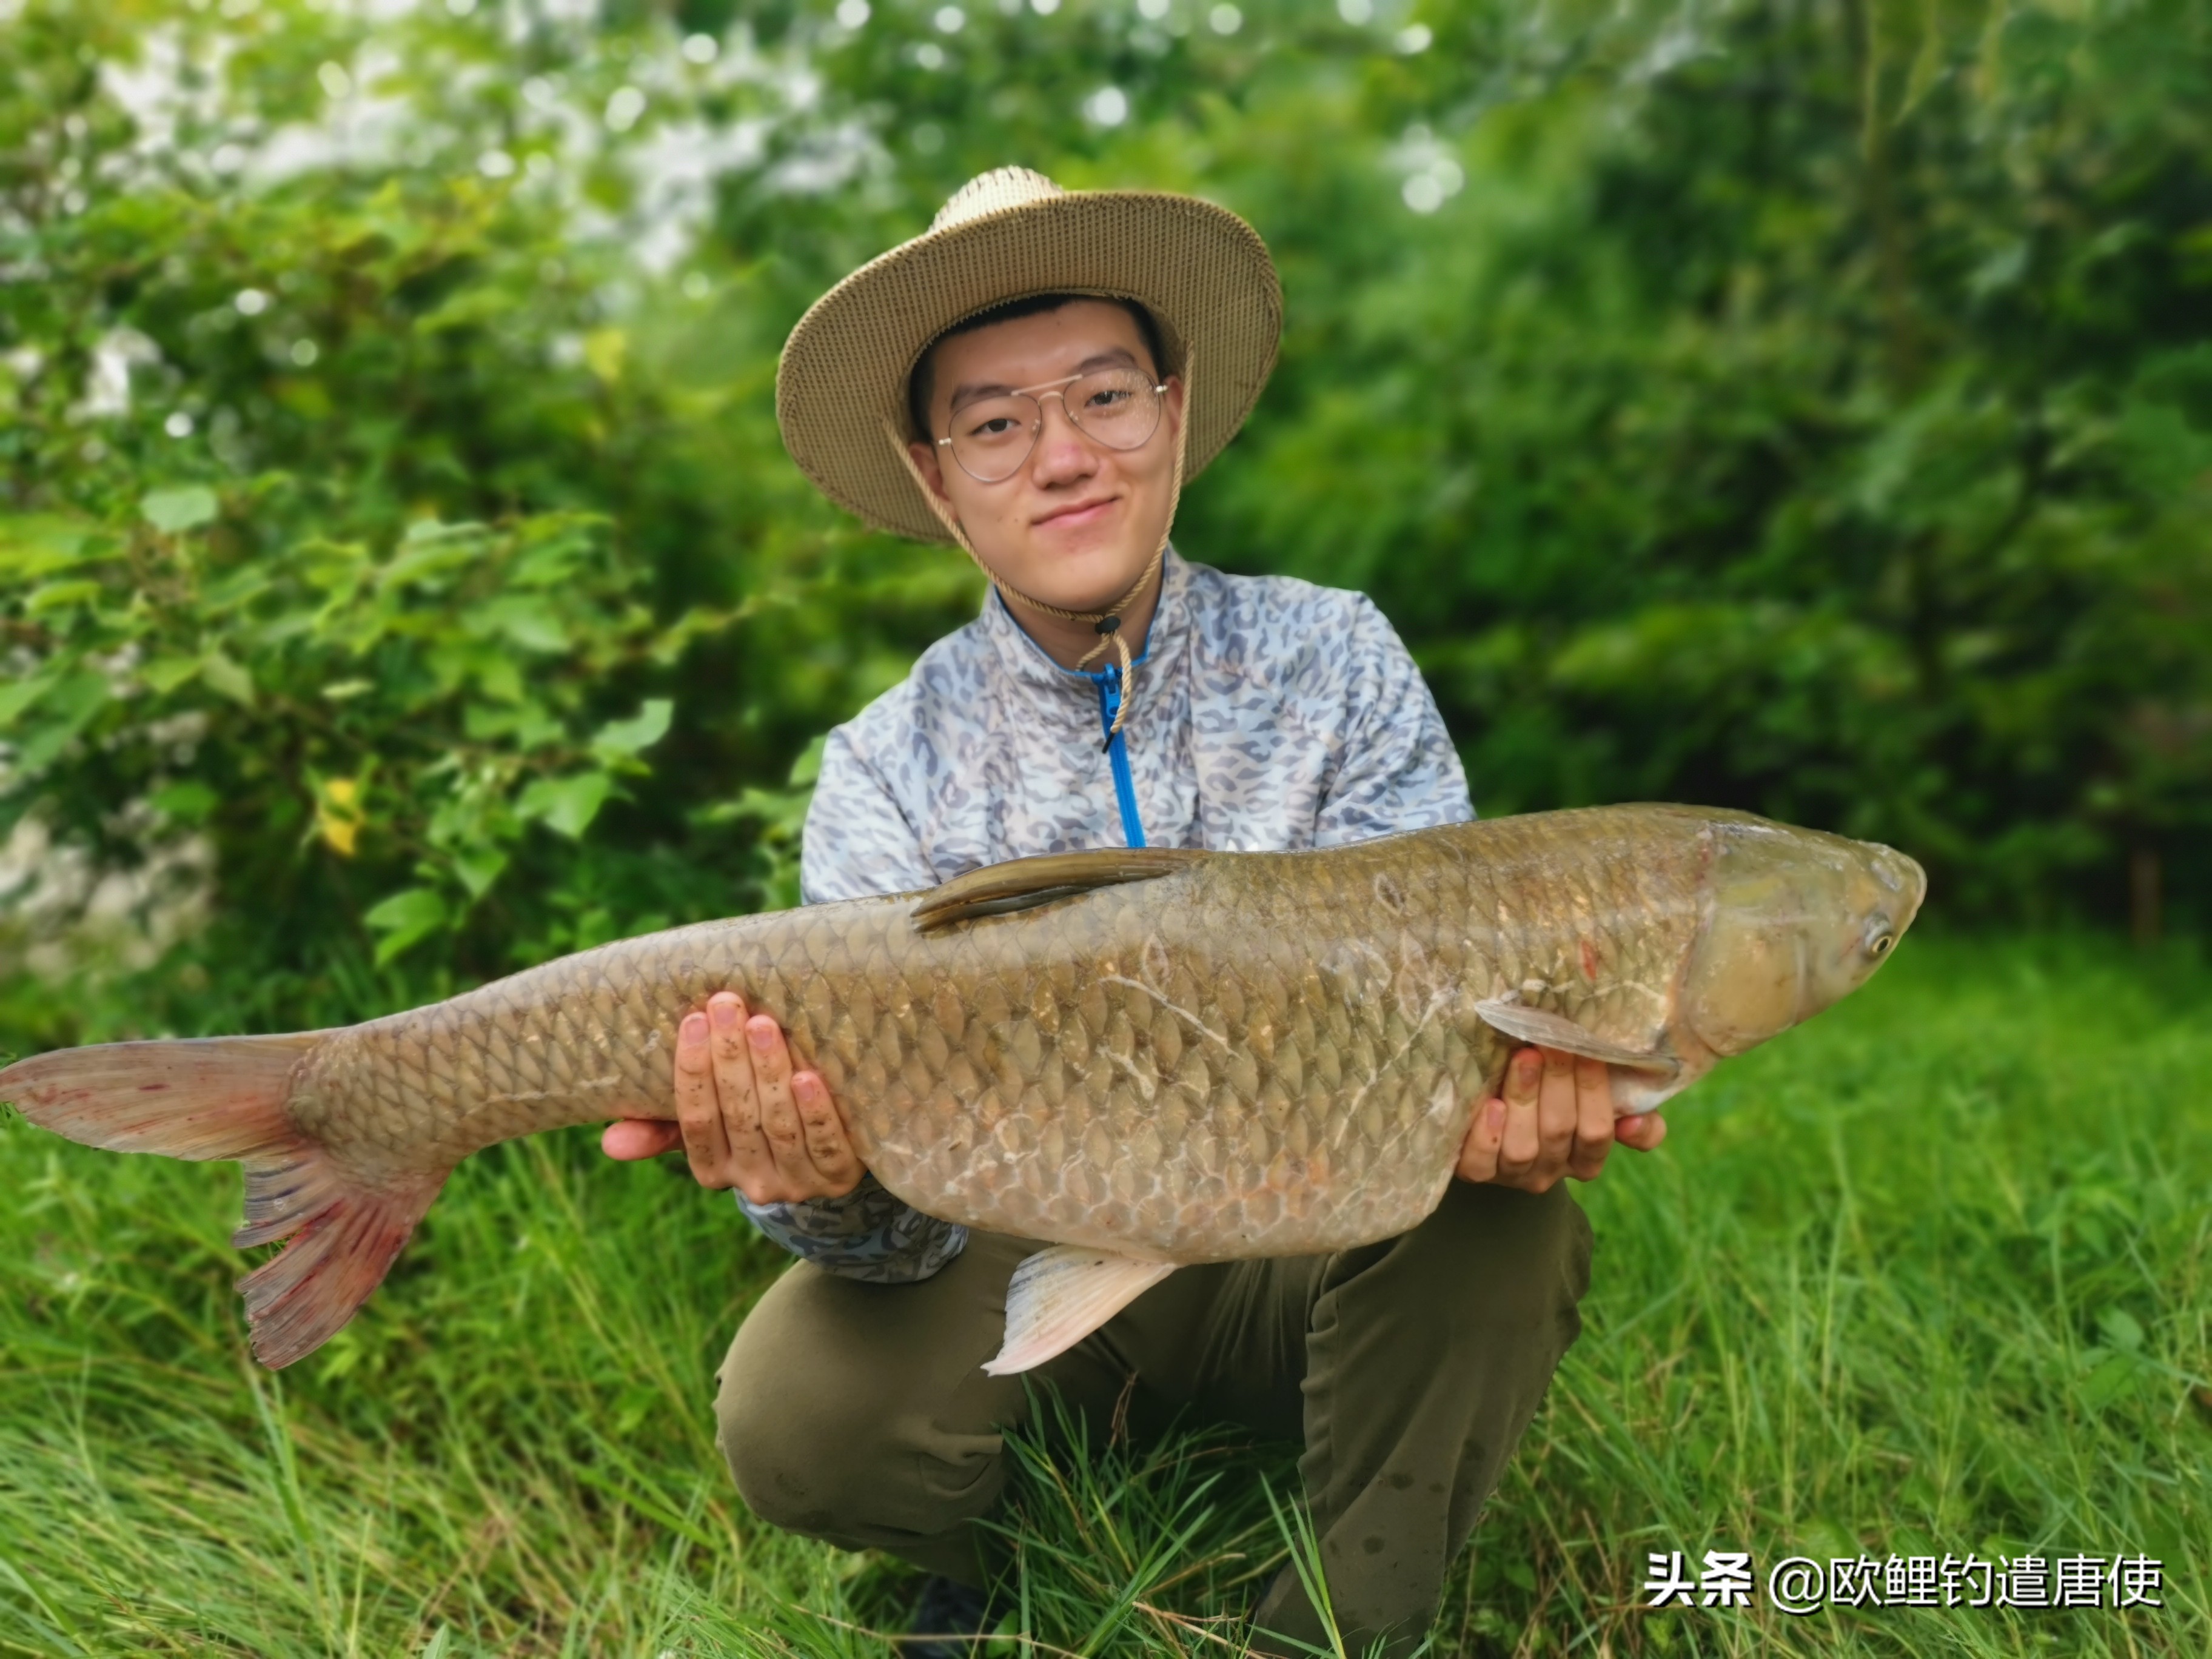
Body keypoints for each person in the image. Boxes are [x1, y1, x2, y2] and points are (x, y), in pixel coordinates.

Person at [601, 168, 1668, 1658]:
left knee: (1510, 1218)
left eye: (1103, 394)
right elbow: (870, 1249)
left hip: (1306, 1249)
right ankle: (1015, 1546)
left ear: (1171, 409)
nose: (1061, 456)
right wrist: (810, 1174)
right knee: (796, 1412)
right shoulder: (884, 765)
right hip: (1024, 1259)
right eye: (994, 422)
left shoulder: (1335, 659)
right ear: (932, 473)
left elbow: (1462, 1019)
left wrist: (1520, 1100)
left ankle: (1344, 1616)